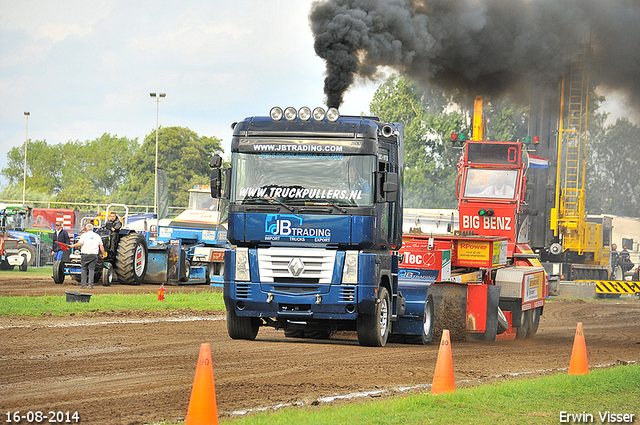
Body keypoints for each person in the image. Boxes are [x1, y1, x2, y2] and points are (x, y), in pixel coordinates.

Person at [68, 223, 105, 289]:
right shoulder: (97, 236)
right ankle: (90, 285)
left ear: (86, 229)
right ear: (92, 229)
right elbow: (101, 246)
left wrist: (73, 246)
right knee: (91, 270)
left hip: (85, 254)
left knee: (84, 269)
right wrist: (103, 254)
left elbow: (79, 244)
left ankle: (83, 284)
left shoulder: (84, 235)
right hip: (93, 255)